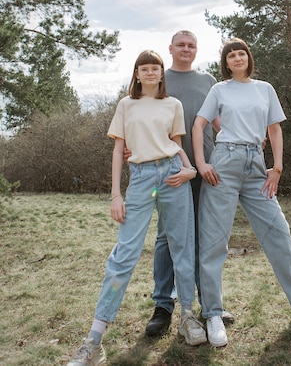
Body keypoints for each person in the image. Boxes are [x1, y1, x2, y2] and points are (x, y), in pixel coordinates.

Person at [192, 38, 291, 347]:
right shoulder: (219, 90)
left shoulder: (265, 89)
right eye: (231, 55)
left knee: (279, 233)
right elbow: (199, 124)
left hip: (257, 167)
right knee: (215, 241)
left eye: (241, 53)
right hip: (224, 163)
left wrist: (277, 167)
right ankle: (213, 313)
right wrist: (202, 162)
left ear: (249, 58)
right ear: (226, 62)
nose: (236, 58)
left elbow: (274, 129)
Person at [66, 50, 206, 366]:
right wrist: (116, 195)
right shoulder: (126, 105)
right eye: (145, 68)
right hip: (142, 179)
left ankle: (187, 316)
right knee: (124, 254)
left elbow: (177, 145)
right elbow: (118, 150)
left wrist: (190, 170)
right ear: (137, 73)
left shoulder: (173, 104)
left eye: (156, 68)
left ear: (161, 73)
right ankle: (94, 339)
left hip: (173, 176)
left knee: (182, 246)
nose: (151, 73)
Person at [125, 30, 234, 337]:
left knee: (206, 237)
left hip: (205, 170)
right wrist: (130, 147)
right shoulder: (159, 78)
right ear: (170, 48)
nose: (186, 49)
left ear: (197, 51)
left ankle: (210, 305)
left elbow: (219, 122)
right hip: (166, 174)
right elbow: (136, 118)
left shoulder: (208, 81)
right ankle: (163, 305)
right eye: (181, 45)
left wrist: (244, 135)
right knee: (166, 238)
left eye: (192, 45)